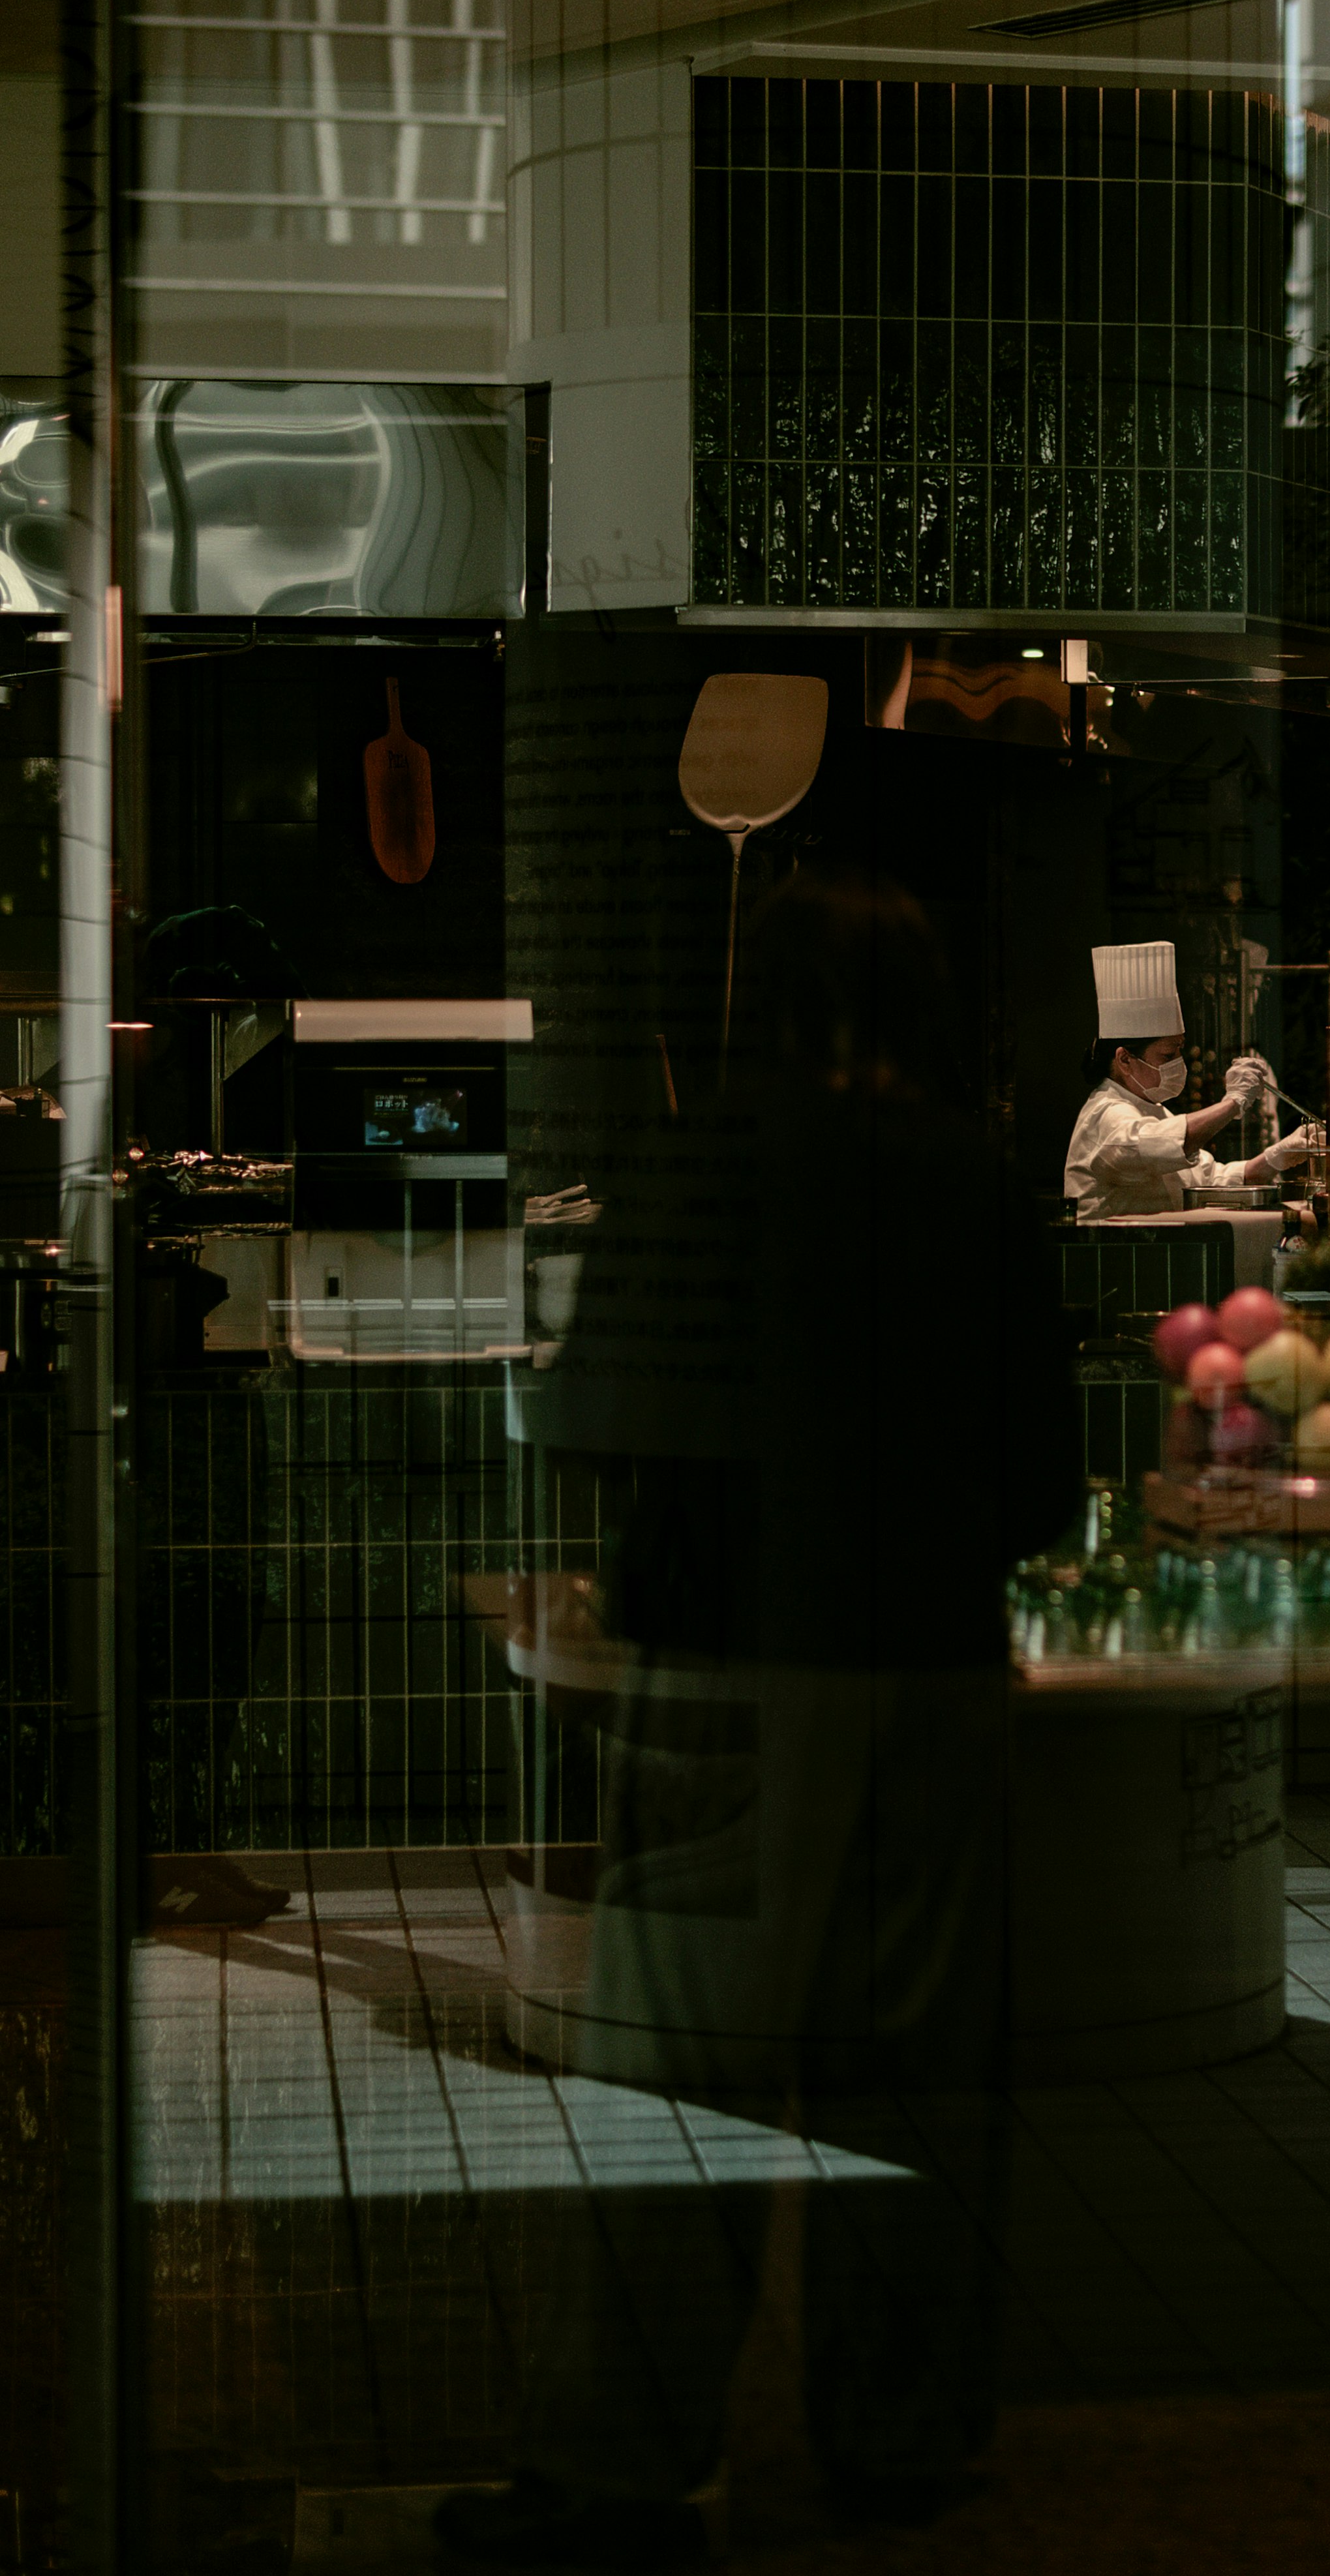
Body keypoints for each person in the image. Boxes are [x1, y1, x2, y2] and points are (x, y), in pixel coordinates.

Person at [438, 871, 1081, 2569]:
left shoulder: (699, 1168)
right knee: (918, 2086)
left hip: (723, 1681)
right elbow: (1044, 1491)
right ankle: (901, 2445)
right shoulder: (977, 1181)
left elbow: (583, 1423)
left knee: (690, 2088)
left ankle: (621, 2470)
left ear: (763, 1006)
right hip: (934, 1679)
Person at [1063, 938, 1314, 1219]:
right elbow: (1156, 1144)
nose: (1177, 1065)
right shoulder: (1105, 1115)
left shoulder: (1155, 1112)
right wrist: (1233, 1103)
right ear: (1124, 1060)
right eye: (1167, 1056)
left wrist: (1279, 1155)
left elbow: (1212, 1179)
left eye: (1179, 1052)